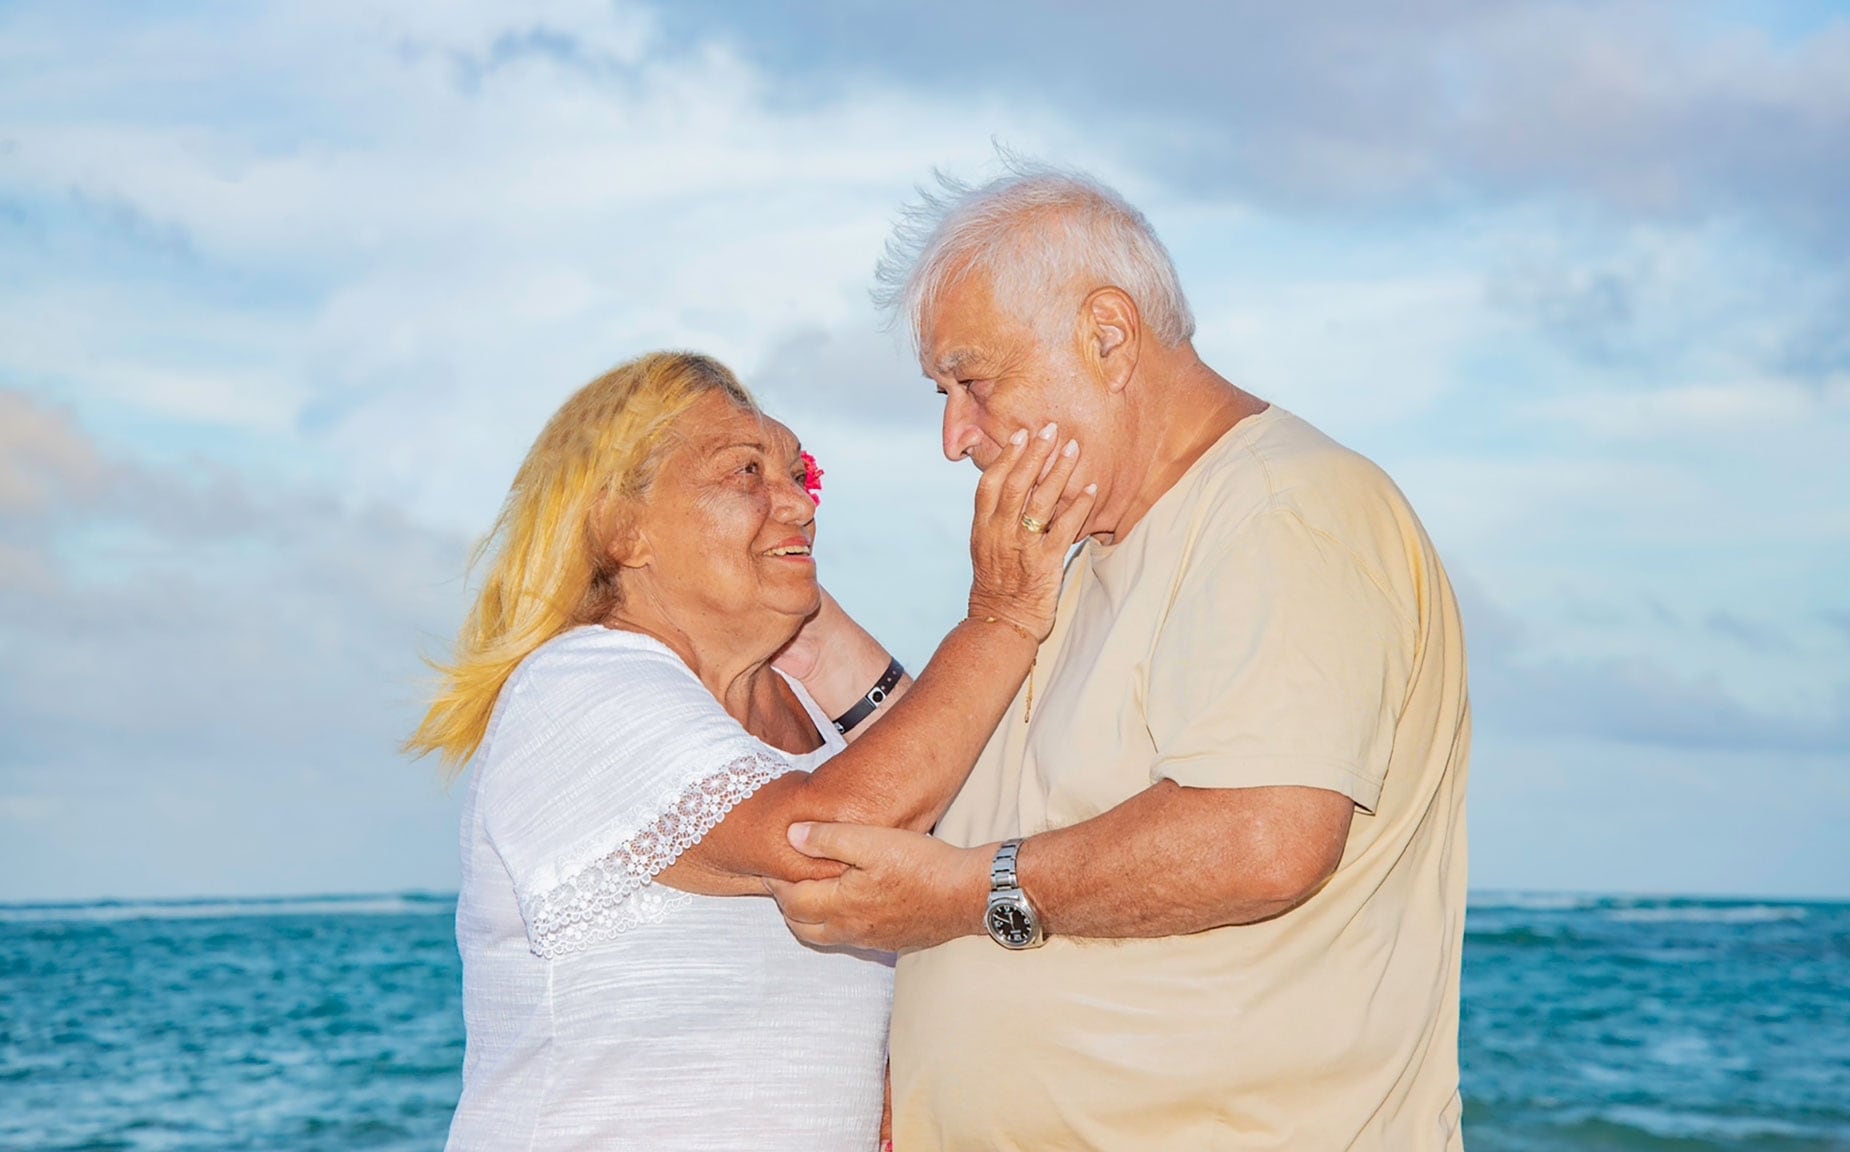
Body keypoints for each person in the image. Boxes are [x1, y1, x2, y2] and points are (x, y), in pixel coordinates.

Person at [770, 162, 1473, 1149]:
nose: (953, 436)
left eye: (974, 384)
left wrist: (966, 898)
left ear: (1109, 336)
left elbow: (1263, 839)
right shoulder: (1071, 555)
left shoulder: (1285, 510)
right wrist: (802, 628)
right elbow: (988, 800)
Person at [407, 351, 1094, 1151]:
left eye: (800, 475)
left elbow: (975, 813)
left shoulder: (809, 719)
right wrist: (1003, 614)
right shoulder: (575, 686)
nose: (798, 504)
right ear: (621, 527)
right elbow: (823, 840)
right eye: (744, 473)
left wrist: (817, 637)